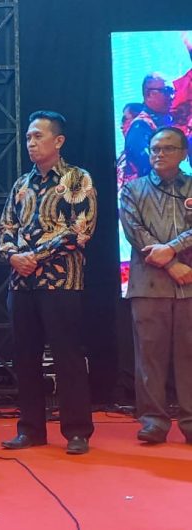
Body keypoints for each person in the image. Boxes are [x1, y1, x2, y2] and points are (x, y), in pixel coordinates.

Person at [0, 110, 97, 455]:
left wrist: (34, 257)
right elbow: (5, 227)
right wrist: (13, 256)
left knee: (68, 356)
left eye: (38, 136)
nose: (31, 142)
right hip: (21, 283)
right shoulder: (21, 184)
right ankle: (30, 429)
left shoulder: (76, 179)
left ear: (59, 141)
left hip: (61, 283)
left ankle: (77, 431)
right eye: (28, 137)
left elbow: (80, 230)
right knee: (25, 357)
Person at [119, 127, 192, 444]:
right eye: (155, 149)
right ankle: (153, 421)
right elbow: (135, 232)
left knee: (190, 356)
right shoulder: (132, 189)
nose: (159, 154)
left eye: (168, 148)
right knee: (149, 357)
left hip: (189, 283)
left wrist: (173, 248)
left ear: (183, 153)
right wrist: (171, 262)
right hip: (148, 285)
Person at [124, 74, 174, 181]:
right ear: (148, 94)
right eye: (166, 91)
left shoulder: (168, 122)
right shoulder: (140, 127)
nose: (172, 96)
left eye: (173, 91)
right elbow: (149, 168)